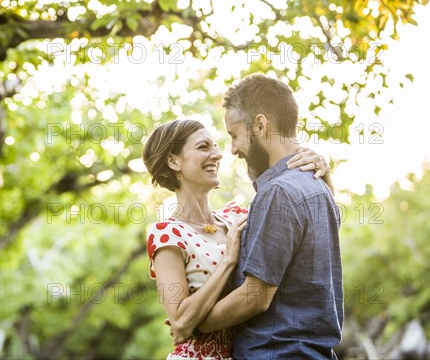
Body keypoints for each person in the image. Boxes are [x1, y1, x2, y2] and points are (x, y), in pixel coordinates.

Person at [171, 74, 343, 359]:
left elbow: (256, 297)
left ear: (260, 125)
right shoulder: (319, 187)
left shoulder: (278, 192)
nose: (233, 149)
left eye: (234, 135)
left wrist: (194, 326)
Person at [142, 118, 333, 359]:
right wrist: (228, 261)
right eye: (203, 147)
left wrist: (322, 175)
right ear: (173, 161)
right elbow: (180, 319)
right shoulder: (168, 235)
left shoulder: (238, 217)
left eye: (215, 146)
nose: (217, 155)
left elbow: (313, 229)